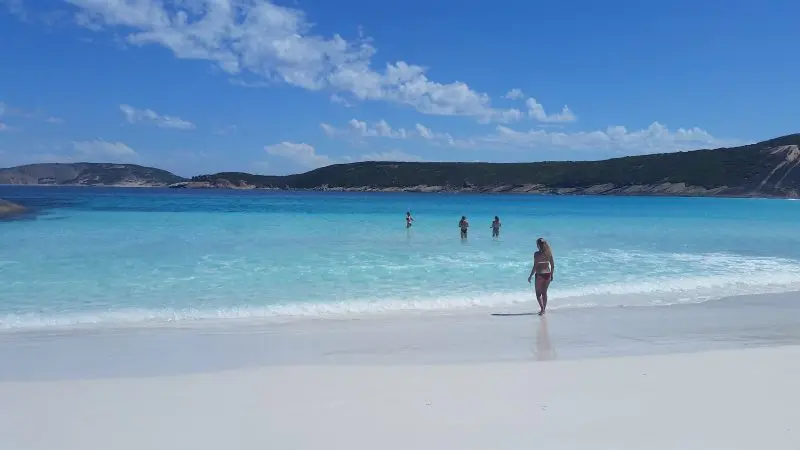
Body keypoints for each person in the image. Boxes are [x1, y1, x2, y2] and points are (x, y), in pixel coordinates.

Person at [527, 237, 555, 316]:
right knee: (544, 293)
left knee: (538, 294)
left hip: (539, 275)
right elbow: (552, 266)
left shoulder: (536, 254)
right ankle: (544, 309)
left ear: (538, 245)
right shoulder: (549, 253)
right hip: (548, 274)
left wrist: (530, 276)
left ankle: (542, 309)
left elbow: (535, 266)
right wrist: (552, 275)